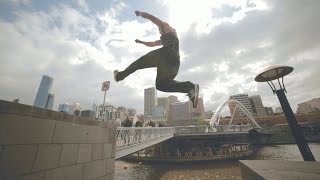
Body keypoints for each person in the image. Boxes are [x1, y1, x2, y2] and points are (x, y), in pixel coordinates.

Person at [113, 10, 199, 108]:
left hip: (167, 54)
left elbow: (151, 18)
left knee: (139, 62)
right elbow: (153, 43)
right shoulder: (168, 38)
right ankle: (189, 88)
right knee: (161, 85)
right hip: (174, 64)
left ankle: (120, 75)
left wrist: (140, 13)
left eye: (160, 30)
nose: (160, 32)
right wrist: (141, 42)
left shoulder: (166, 27)